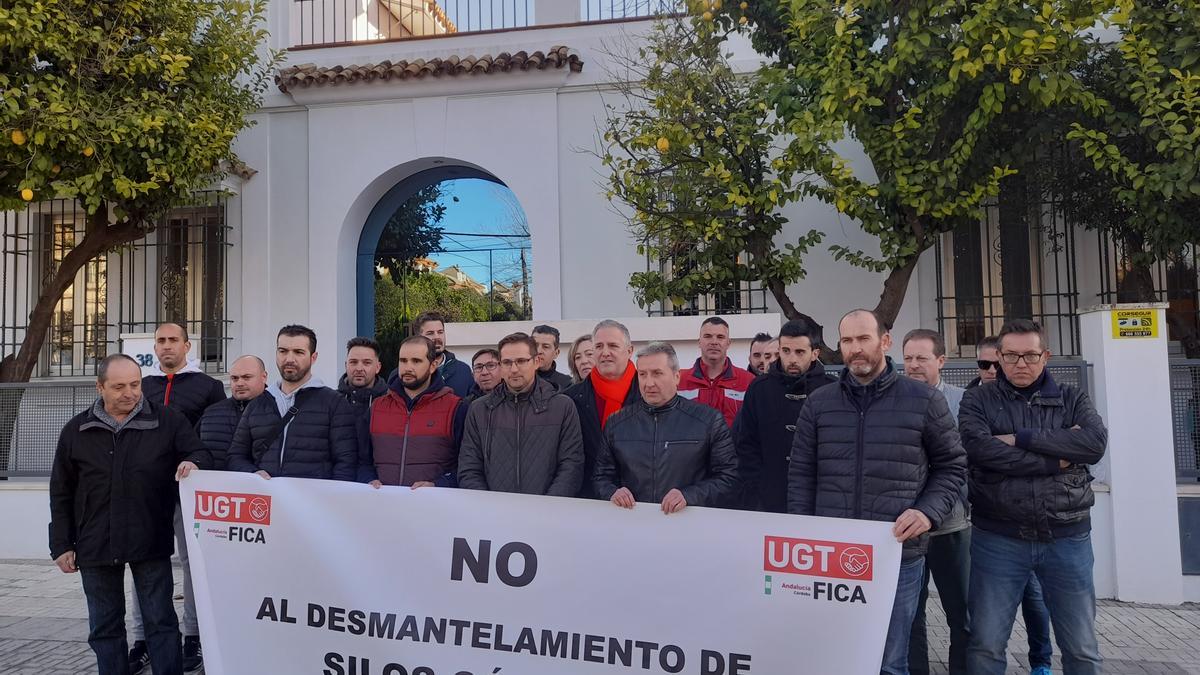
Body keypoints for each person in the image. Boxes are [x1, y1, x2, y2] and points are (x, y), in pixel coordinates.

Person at [788, 309, 967, 675]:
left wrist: (927, 512)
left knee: (890, 660)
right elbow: (801, 474)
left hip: (896, 556)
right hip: (831, 558)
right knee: (835, 656)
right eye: (848, 341)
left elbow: (952, 466)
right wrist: (803, 537)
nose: (855, 349)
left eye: (864, 339)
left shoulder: (924, 401)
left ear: (885, 342)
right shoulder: (819, 403)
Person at [961, 319, 1108, 675]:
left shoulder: (1072, 398)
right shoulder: (977, 399)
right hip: (997, 539)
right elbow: (980, 450)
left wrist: (1019, 438)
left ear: (1046, 356)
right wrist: (1058, 457)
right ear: (998, 357)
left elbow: (1093, 443)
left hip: (1067, 537)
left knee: (1082, 648)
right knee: (985, 645)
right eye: (1010, 356)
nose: (1020, 364)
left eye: (1029, 355)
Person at [49, 354, 209, 675]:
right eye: (119, 386)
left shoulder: (168, 421)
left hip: (149, 538)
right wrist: (61, 544)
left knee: (160, 622)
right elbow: (61, 492)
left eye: (135, 384)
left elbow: (199, 451)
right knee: (105, 627)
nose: (130, 393)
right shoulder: (76, 430)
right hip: (94, 543)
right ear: (100, 387)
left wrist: (193, 462)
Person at [134, 322, 225, 673]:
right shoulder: (140, 387)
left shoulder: (209, 387)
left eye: (174, 340)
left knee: (193, 564)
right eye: (161, 341)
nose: (167, 346)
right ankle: (141, 640)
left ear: (187, 346)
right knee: (141, 562)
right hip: (147, 491)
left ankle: (194, 637)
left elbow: (214, 437)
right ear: (154, 348)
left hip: (189, 490)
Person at [596, 342, 738, 512]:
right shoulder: (616, 423)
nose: (649, 383)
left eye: (657, 374)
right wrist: (613, 492)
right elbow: (601, 477)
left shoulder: (709, 420)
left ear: (676, 376)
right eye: (642, 374)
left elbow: (729, 478)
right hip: (633, 525)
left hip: (688, 527)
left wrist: (689, 496)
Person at [901, 329, 969, 675]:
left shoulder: (962, 402)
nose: (913, 366)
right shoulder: (894, 399)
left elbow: (967, 461)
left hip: (951, 527)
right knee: (911, 614)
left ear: (941, 361)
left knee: (962, 612)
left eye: (921, 358)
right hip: (906, 531)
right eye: (908, 358)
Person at [226, 325, 358, 481]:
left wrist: (329, 499)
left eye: (298, 352)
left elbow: (346, 462)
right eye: (283, 351)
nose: (289, 359)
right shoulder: (257, 405)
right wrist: (253, 473)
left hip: (314, 501)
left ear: (313, 357)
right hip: (267, 501)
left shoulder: (334, 403)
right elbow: (235, 456)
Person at [458, 332, 584, 496]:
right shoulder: (478, 410)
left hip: (547, 514)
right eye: (507, 362)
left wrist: (549, 506)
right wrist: (488, 506)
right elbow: (469, 467)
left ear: (536, 361)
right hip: (494, 514)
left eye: (521, 361)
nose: (514, 369)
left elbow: (571, 465)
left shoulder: (562, 406)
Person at [735, 320, 835, 513]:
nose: (792, 359)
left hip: (818, 498)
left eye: (800, 352)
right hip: (767, 498)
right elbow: (746, 445)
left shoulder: (832, 390)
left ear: (815, 353)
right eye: (786, 351)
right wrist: (756, 490)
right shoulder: (759, 389)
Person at [361, 336, 464, 487]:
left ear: (433, 365)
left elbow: (466, 465)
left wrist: (439, 485)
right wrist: (368, 479)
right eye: (403, 360)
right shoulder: (377, 407)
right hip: (383, 504)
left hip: (434, 506)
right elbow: (362, 460)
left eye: (416, 361)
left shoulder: (455, 408)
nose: (408, 367)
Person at [564, 320, 641, 498]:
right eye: (599, 346)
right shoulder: (571, 399)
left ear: (630, 351)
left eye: (613, 345)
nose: (605, 352)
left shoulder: (649, 394)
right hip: (589, 499)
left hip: (639, 500)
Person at [678, 316, 755, 426]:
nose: (714, 342)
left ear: (728, 343)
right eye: (708, 336)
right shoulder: (679, 381)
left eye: (720, 337)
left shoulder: (748, 381)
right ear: (699, 342)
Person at [198, 355, 269, 471]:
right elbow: (196, 451)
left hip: (263, 487)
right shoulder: (211, 413)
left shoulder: (279, 411)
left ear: (264, 377)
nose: (239, 383)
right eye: (235, 378)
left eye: (246, 377)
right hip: (216, 487)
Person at [414, 311, 473, 397]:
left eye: (440, 332)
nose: (437, 337)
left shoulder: (463, 371)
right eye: (430, 333)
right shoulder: (405, 373)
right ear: (418, 337)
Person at [338, 336, 387, 417]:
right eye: (353, 362)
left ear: (378, 367)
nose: (359, 369)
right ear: (346, 365)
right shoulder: (331, 401)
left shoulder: (391, 403)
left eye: (367, 363)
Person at [532, 324, 574, 391]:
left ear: (556, 353)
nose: (539, 351)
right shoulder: (518, 379)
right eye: (535, 345)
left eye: (545, 346)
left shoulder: (567, 384)